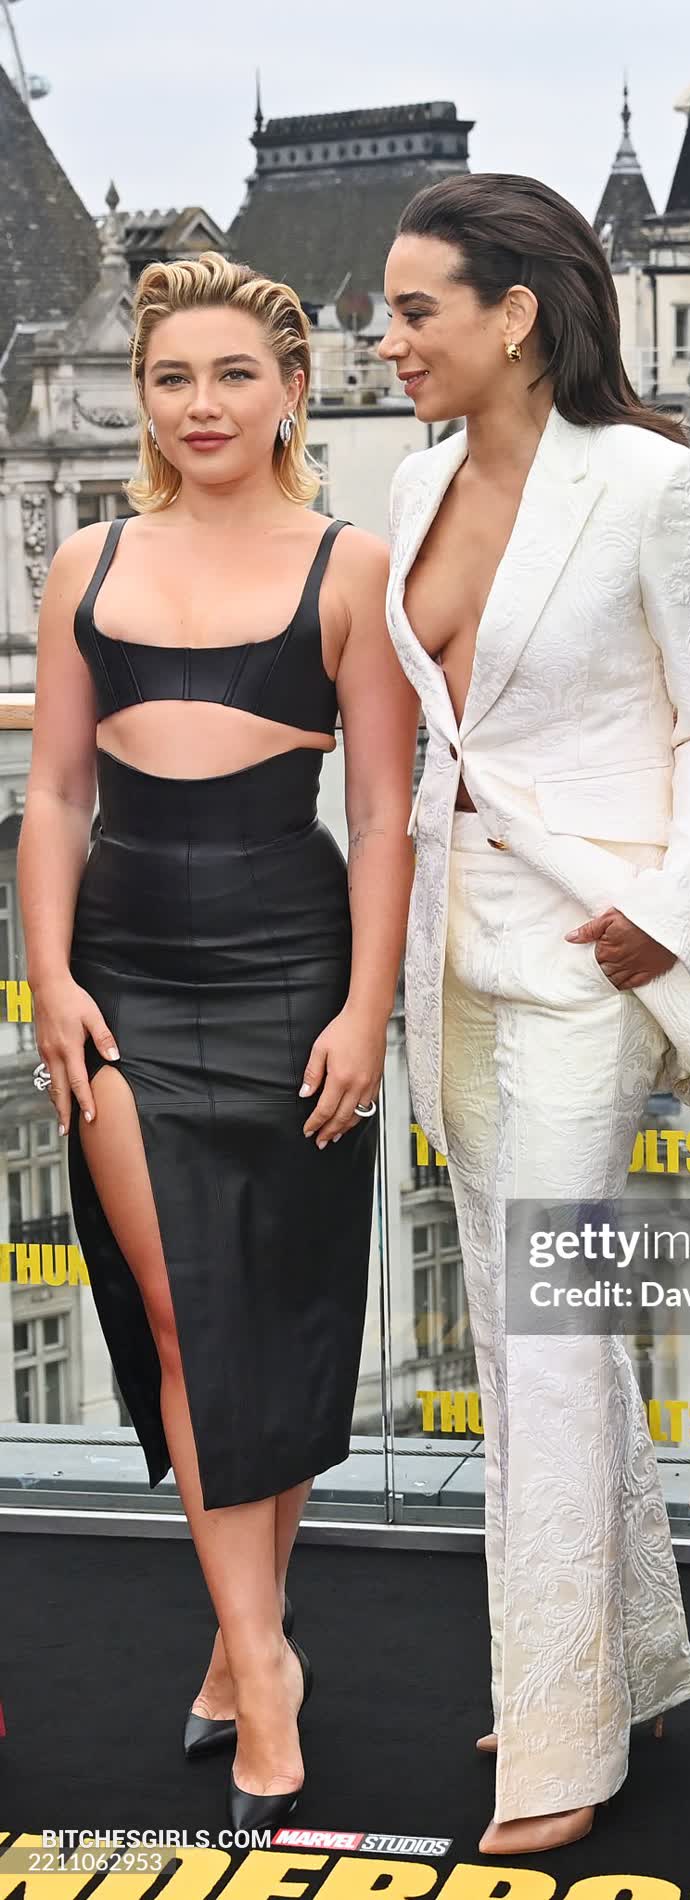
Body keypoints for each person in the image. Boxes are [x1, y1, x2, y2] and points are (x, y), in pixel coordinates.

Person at [377, 172, 690, 1856]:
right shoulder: (411, 484)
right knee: (526, 1321)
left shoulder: (657, 484)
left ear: (516, 313)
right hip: (449, 943)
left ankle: (556, 1738)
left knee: (546, 1339)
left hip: (591, 949)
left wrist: (666, 909)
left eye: (414, 310)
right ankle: (622, 1660)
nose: (386, 340)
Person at [19, 252, 417, 1827]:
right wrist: (46, 978)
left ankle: (236, 1640)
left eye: (234, 375)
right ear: (141, 396)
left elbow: (381, 812)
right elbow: (56, 792)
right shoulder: (88, 561)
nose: (203, 404)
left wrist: (368, 1008)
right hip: (122, 975)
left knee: (277, 1317)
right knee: (187, 1317)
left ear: (293, 391)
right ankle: (265, 1666)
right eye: (172, 377)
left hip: (295, 970)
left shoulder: (351, 566)